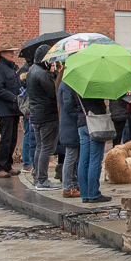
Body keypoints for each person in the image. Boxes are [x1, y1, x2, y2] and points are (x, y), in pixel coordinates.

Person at [23, 44, 60, 190]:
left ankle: (38, 177)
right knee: (46, 148)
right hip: (47, 116)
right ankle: (43, 180)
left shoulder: (32, 71)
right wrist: (54, 74)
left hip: (37, 115)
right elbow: (52, 92)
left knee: (40, 147)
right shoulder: (43, 74)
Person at [0, 45, 23, 177]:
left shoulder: (11, 69)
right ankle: (0, 168)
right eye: (10, 52)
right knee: (6, 139)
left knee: (13, 139)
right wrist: (14, 98)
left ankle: (8, 166)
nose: (13, 54)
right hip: (5, 110)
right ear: (2, 54)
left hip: (13, 110)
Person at [78, 96, 111, 202]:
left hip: (82, 122)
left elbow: (70, 105)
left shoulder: (75, 87)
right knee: (95, 159)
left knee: (83, 160)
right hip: (95, 122)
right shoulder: (95, 89)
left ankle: (84, 194)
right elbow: (99, 105)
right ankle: (93, 193)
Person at [57, 69, 83, 198]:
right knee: (71, 157)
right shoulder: (67, 84)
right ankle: (67, 187)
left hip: (70, 126)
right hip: (70, 126)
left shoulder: (66, 83)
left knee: (74, 157)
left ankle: (73, 184)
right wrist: (79, 115)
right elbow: (68, 105)